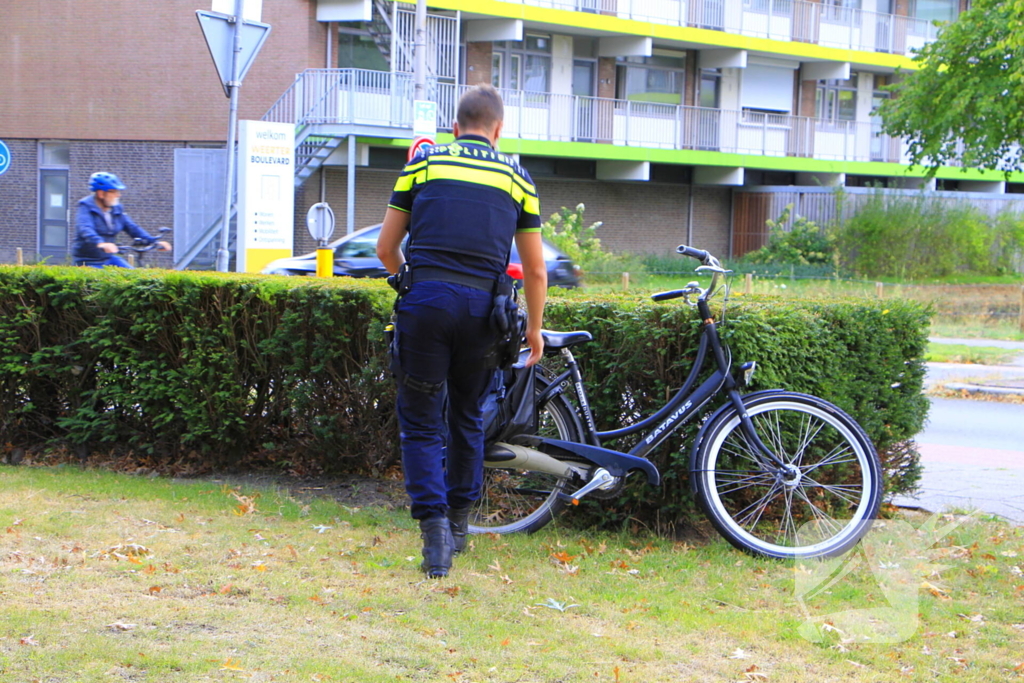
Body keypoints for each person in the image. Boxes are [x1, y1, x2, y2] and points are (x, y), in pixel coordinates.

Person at [377, 84, 548, 579]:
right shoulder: (517, 178)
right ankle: (458, 522)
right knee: (468, 416)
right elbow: (535, 272)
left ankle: (433, 534)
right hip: (484, 314)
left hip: (425, 304)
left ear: (455, 127)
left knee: (421, 421)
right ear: (497, 130)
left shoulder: (424, 165)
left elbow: (386, 248)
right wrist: (533, 330)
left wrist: (411, 279)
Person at [73, 172, 171, 268]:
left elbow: (132, 227)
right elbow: (85, 229)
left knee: (133, 276)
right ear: (101, 194)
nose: (118, 195)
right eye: (114, 191)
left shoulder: (116, 209)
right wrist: (101, 243)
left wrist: (153, 242)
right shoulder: (85, 207)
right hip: (87, 262)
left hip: (108, 259)